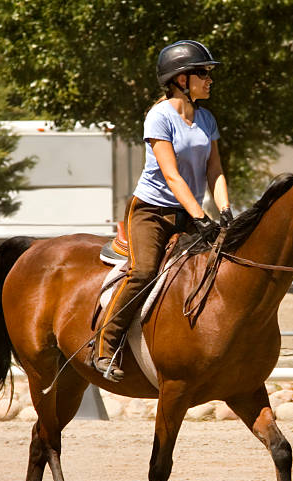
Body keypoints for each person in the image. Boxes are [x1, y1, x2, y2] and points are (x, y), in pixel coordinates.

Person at [93, 40, 233, 381]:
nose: (209, 79)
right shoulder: (159, 117)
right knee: (143, 273)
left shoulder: (206, 119)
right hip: (151, 211)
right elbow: (171, 175)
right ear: (181, 80)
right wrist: (200, 216)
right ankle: (105, 347)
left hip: (187, 212)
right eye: (203, 73)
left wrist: (225, 209)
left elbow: (214, 170)